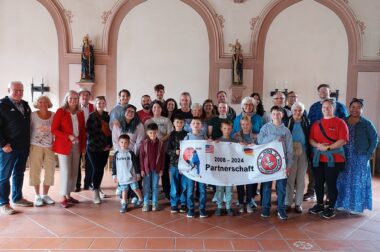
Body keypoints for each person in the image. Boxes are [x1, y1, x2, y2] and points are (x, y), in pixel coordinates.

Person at [335, 98, 378, 214]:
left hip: (360, 157)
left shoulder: (366, 123)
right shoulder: (342, 121)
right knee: (343, 180)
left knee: (358, 181)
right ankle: (342, 204)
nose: (355, 109)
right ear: (349, 108)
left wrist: (368, 154)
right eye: (353, 107)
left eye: (358, 107)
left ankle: (357, 207)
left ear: (362, 109)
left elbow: (374, 139)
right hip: (344, 156)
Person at [308, 99, 348, 219]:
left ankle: (331, 207)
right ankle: (319, 204)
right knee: (318, 183)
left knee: (331, 183)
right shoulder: (316, 123)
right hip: (318, 159)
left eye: (329, 107)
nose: (326, 109)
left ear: (334, 108)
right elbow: (311, 139)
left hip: (334, 159)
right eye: (324, 107)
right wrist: (318, 146)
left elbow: (343, 140)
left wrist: (329, 148)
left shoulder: (340, 122)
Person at [0, 81, 32, 214]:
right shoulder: (2, 105)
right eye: (15, 90)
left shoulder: (25, 105)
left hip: (23, 147)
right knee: (4, 175)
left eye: (21, 90)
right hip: (8, 148)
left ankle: (17, 197)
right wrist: (3, 144)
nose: (19, 93)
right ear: (9, 90)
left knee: (19, 173)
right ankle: (4, 203)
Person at [257, 106, 293, 220]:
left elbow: (289, 149)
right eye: (274, 114)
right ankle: (266, 208)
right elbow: (260, 142)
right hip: (267, 162)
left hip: (282, 164)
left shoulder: (286, 130)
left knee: (281, 187)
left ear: (282, 115)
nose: (276, 116)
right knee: (266, 187)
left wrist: (289, 165)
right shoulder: (265, 128)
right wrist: (275, 137)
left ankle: (281, 209)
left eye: (278, 114)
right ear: (271, 115)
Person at [52, 90, 86, 208]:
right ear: (66, 99)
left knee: (73, 172)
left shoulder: (80, 113)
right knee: (66, 171)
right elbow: (54, 130)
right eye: (70, 98)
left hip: (77, 145)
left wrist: (83, 147)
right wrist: (68, 136)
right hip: (64, 145)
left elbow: (82, 131)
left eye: (75, 98)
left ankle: (68, 195)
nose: (73, 100)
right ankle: (62, 197)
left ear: (78, 100)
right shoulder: (60, 111)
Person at [29, 95, 56, 207]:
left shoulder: (53, 115)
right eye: (40, 102)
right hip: (35, 146)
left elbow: (57, 129)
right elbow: (27, 129)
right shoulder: (32, 115)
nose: (43, 104)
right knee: (35, 170)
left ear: (48, 103)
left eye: (45, 102)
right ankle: (37, 196)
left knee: (50, 170)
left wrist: (55, 140)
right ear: (37, 103)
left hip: (50, 146)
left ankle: (45, 195)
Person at [144, 101, 174, 199]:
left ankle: (167, 191)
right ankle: (151, 193)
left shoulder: (166, 120)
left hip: (163, 150)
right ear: (152, 109)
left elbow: (170, 134)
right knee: (152, 171)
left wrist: (160, 141)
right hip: (151, 152)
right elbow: (146, 135)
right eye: (154, 107)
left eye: (159, 107)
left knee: (164, 172)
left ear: (162, 109)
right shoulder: (148, 121)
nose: (156, 109)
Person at [86, 96, 112, 204]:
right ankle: (95, 191)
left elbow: (111, 132)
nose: (101, 105)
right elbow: (89, 134)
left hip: (105, 148)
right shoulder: (91, 116)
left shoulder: (107, 116)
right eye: (99, 103)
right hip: (93, 148)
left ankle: (98, 187)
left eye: (103, 103)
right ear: (95, 104)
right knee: (96, 169)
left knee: (101, 169)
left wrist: (109, 145)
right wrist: (101, 146)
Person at [285, 101, 310, 213]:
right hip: (291, 152)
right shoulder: (287, 122)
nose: (297, 112)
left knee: (301, 179)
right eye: (295, 110)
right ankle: (287, 202)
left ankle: (298, 203)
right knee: (290, 179)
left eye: (300, 110)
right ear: (292, 111)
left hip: (303, 151)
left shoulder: (306, 122)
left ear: (303, 111)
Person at [183, 117, 208, 218]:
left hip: (202, 169)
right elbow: (183, 153)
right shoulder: (187, 138)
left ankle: (202, 210)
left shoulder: (204, 137)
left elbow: (209, 150)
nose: (196, 125)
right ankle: (191, 210)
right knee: (190, 190)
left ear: (201, 126)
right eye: (193, 123)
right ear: (190, 126)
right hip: (190, 169)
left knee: (202, 190)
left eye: (198, 123)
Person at [112, 134, 143, 213]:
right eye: (122, 142)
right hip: (122, 177)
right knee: (124, 191)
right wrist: (114, 175)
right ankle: (124, 204)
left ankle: (140, 199)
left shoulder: (131, 153)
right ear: (119, 142)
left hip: (131, 176)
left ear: (129, 143)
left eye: (126, 142)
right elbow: (114, 166)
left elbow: (136, 164)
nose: (123, 144)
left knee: (135, 188)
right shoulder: (116, 154)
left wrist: (138, 174)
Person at [233, 116, 257, 214]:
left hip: (251, 165)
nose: (245, 126)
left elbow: (260, 148)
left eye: (247, 124)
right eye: (243, 124)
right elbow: (230, 148)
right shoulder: (235, 136)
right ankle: (241, 202)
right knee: (240, 185)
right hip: (239, 164)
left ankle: (248, 203)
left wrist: (255, 146)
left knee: (250, 184)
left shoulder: (255, 137)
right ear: (240, 125)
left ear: (250, 125)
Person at [139, 123, 165, 212]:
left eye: (154, 133)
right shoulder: (144, 143)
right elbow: (141, 157)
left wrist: (161, 168)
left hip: (156, 169)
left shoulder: (160, 143)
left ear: (157, 132)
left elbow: (162, 157)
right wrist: (142, 169)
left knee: (155, 186)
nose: (153, 135)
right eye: (151, 133)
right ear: (147, 133)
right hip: (146, 169)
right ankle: (146, 204)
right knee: (146, 186)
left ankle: (154, 203)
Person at [167, 114, 188, 213]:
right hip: (174, 164)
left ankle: (183, 203)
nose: (179, 124)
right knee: (174, 184)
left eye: (181, 122)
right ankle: (174, 204)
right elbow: (168, 150)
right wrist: (175, 152)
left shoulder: (187, 135)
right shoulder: (171, 135)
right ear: (174, 124)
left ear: (183, 123)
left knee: (184, 184)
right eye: (177, 122)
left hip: (185, 164)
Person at [215, 120, 236, 216]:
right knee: (219, 189)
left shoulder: (235, 142)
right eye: (224, 128)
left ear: (231, 129)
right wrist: (212, 143)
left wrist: (243, 145)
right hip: (220, 170)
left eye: (228, 129)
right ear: (221, 129)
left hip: (230, 170)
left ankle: (228, 206)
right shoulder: (217, 141)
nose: (226, 130)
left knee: (229, 189)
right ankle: (219, 206)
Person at [76, 88, 94, 192]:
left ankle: (89, 183)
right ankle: (77, 184)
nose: (84, 97)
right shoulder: (75, 107)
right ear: (79, 97)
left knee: (90, 161)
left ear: (89, 97)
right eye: (82, 95)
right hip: (78, 137)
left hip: (90, 138)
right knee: (77, 162)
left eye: (86, 95)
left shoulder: (93, 107)